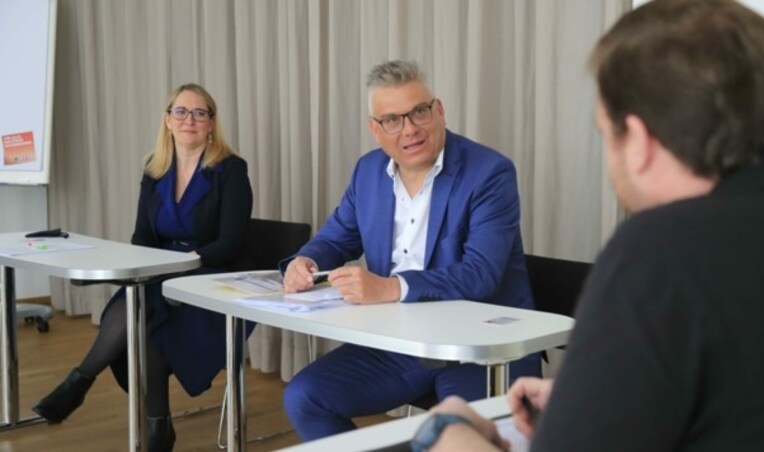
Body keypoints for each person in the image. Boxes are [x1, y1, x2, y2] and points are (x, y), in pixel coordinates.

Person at [417, 0, 764, 450]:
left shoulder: (661, 251)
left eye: (604, 132)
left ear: (638, 141)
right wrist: (598, 401)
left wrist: (449, 430)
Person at [281, 60, 541, 441]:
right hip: (399, 344)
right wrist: (306, 261)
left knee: (462, 440)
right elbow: (337, 238)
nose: (410, 129)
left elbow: (481, 273)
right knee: (306, 397)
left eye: (419, 112)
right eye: (392, 120)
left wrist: (390, 288)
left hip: (476, 349)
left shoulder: (489, 172)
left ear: (439, 110)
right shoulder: (368, 172)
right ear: (375, 128)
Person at [32, 83, 253, 451]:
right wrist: (154, 264)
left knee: (148, 322)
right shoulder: (155, 169)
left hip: (211, 273)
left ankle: (82, 384)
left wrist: (185, 262)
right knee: (133, 309)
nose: (189, 120)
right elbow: (142, 236)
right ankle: (155, 426)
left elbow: (232, 241)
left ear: (212, 124)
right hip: (163, 268)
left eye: (200, 113)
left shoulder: (230, 170)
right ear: (167, 120)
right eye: (180, 112)